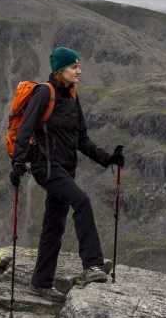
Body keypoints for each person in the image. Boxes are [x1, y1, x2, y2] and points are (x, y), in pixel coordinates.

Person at [9, 46, 125, 295]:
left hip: (65, 169)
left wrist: (108, 158)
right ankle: (92, 265)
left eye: (78, 66)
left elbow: (82, 140)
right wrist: (18, 162)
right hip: (46, 168)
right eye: (74, 67)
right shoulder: (44, 93)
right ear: (60, 70)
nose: (79, 71)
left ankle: (40, 283)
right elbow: (25, 129)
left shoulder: (72, 97)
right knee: (81, 201)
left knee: (54, 225)